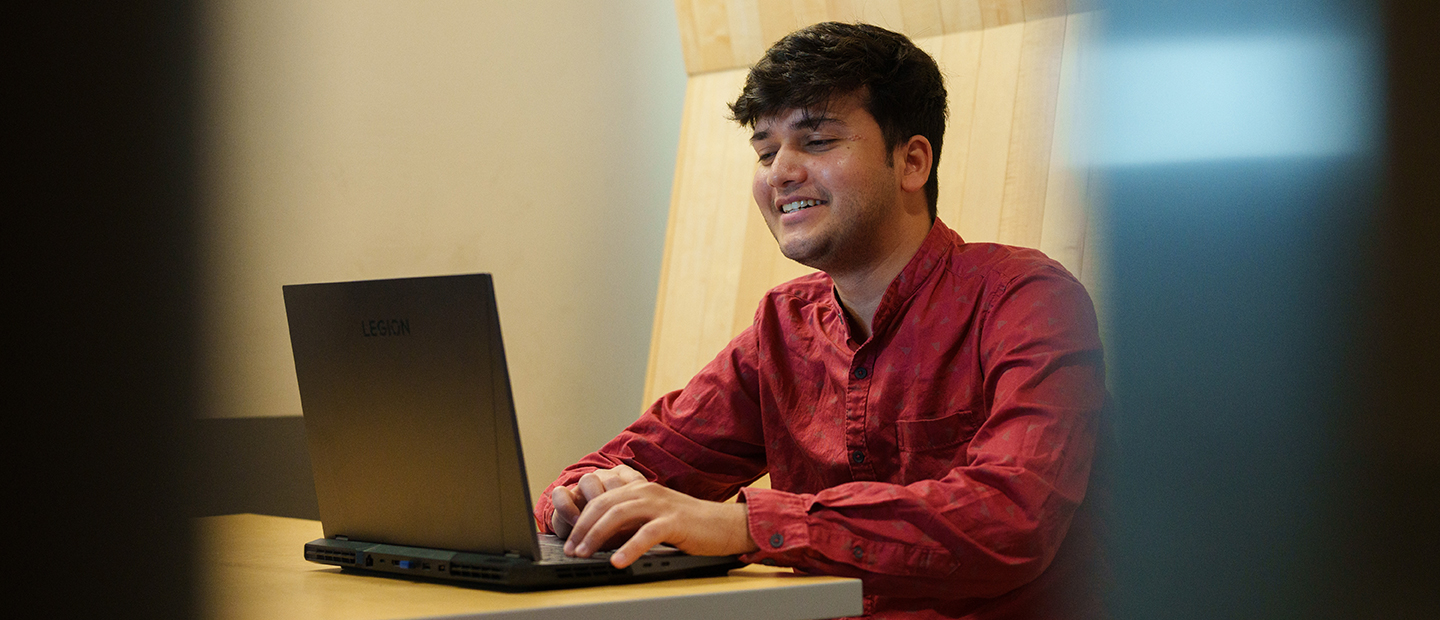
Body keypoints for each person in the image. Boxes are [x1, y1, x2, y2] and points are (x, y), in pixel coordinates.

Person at [535, 22, 1109, 619]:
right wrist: (582, 502)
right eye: (764, 151)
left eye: (815, 141)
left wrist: (745, 526)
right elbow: (614, 467)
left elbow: (1011, 518)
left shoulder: (1026, 298)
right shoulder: (783, 324)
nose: (779, 171)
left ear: (912, 162)